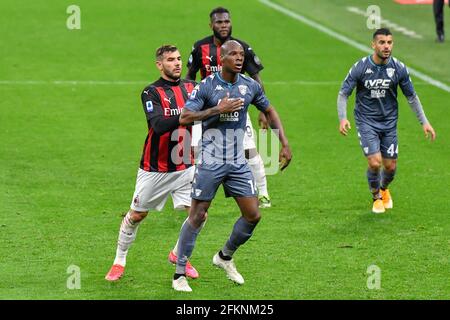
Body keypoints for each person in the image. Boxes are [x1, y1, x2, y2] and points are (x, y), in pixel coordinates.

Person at [171, 40, 292, 292]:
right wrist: (217, 108)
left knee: (253, 214)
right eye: (234, 55)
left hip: (237, 161)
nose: (239, 58)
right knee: (198, 215)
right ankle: (179, 273)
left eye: (242, 55)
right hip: (211, 160)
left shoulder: (249, 86)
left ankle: (224, 257)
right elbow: (184, 116)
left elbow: (269, 110)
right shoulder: (207, 86)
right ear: (222, 59)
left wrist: (283, 142)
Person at [105, 45, 200, 281]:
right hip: (155, 168)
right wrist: (187, 115)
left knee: (200, 215)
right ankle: (119, 260)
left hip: (185, 165)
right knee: (137, 215)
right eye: (170, 60)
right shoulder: (151, 92)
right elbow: (157, 125)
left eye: (178, 59)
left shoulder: (192, 87)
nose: (177, 63)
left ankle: (179, 256)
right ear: (160, 65)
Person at [337, 28, 436, 214]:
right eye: (382, 42)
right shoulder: (361, 67)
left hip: (389, 123)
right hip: (366, 121)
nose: (386, 46)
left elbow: (412, 97)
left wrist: (425, 122)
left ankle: (383, 189)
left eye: (389, 42)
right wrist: (343, 119)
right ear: (373, 45)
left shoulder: (399, 68)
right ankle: (376, 197)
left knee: (390, 167)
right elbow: (343, 94)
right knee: (375, 163)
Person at [186, 7, 272, 208]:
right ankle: (196, 194)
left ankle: (264, 193)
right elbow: (189, 76)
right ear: (211, 25)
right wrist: (191, 100)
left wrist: (262, 110)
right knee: (195, 150)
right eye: (219, 22)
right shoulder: (200, 48)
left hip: (237, 107)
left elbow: (256, 78)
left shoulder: (242, 48)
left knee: (249, 150)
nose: (224, 26)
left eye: (226, 22)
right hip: (208, 110)